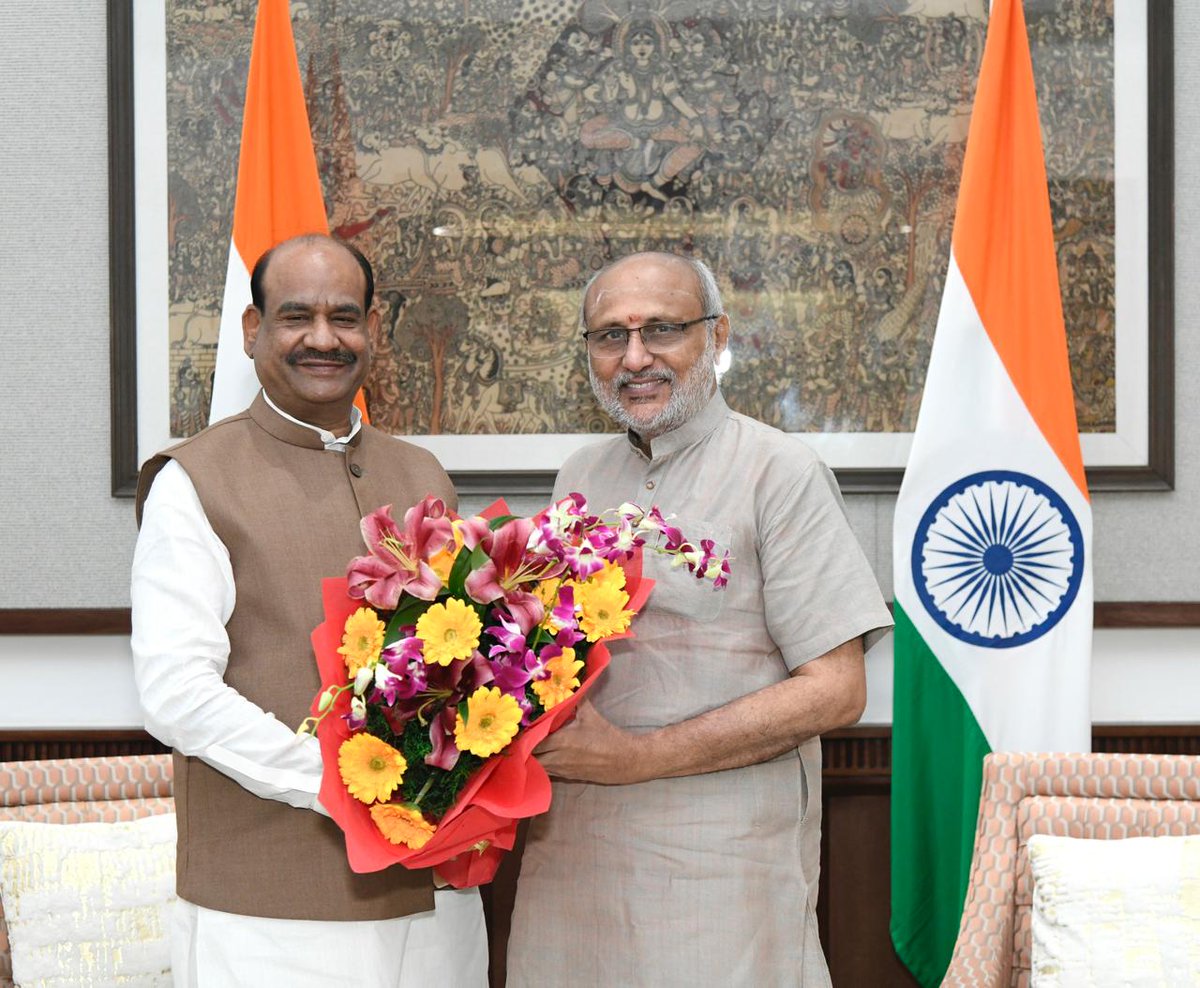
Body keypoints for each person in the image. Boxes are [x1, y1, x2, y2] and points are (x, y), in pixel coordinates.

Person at [507, 251, 892, 985]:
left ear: (716, 337)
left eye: (662, 329)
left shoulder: (781, 471)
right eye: (611, 336)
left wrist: (639, 758)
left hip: (720, 869)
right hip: (575, 857)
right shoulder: (581, 476)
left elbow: (838, 690)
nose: (635, 358)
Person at [131, 235, 487, 986]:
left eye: (344, 317)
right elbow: (176, 693)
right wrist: (342, 783)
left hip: (438, 900)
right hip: (271, 911)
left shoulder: (422, 473)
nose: (323, 338)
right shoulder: (194, 480)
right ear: (253, 330)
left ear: (372, 331)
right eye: (297, 316)